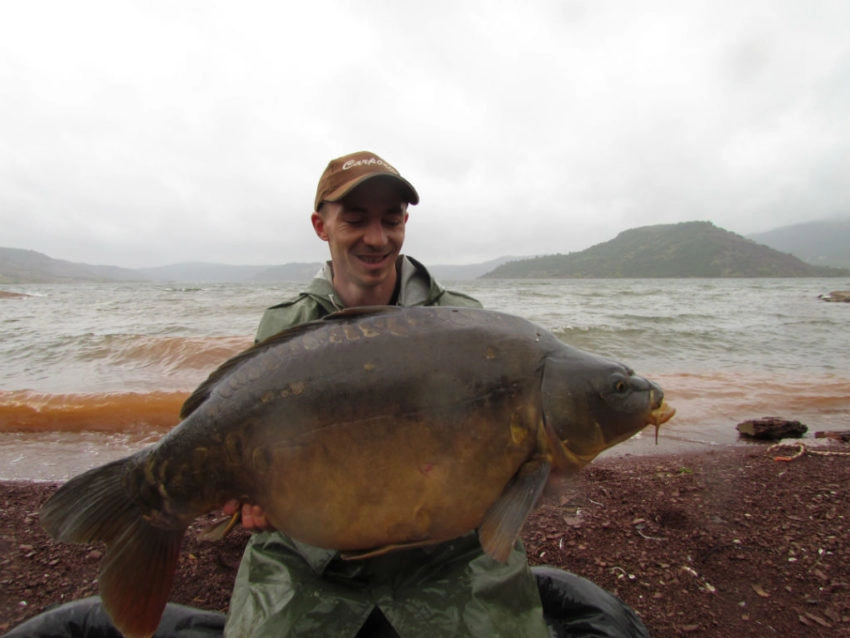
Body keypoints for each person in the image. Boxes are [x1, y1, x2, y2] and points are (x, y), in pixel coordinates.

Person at [222, 151, 552, 637]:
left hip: (445, 553)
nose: (377, 239)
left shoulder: (466, 327)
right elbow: (261, 447)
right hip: (312, 555)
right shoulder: (284, 327)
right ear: (321, 225)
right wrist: (254, 496)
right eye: (355, 220)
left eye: (391, 220)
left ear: (405, 222)